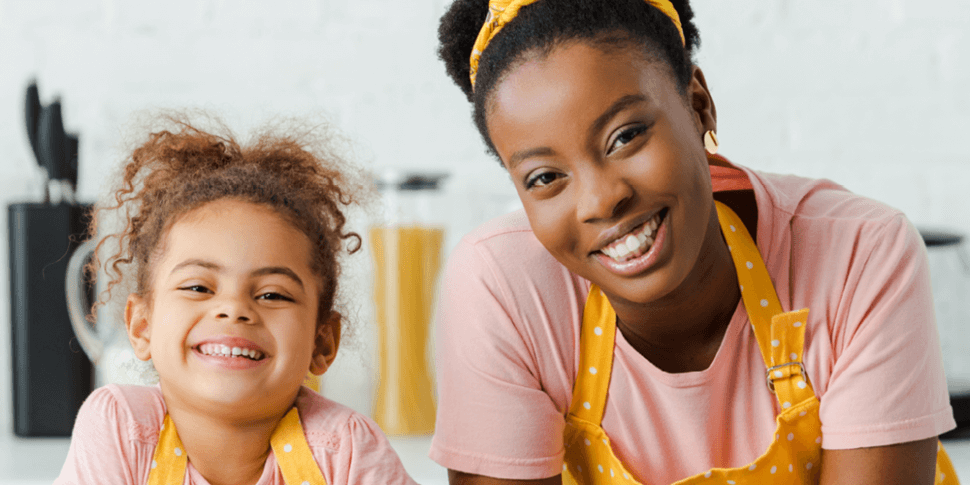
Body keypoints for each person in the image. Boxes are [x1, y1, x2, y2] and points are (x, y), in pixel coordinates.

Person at [431, 1, 959, 484]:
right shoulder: (503, 288)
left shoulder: (859, 256)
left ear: (698, 105)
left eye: (625, 136)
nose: (600, 201)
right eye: (545, 177)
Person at [55, 117, 417, 485]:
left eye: (272, 294)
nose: (234, 309)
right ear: (141, 326)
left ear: (322, 341)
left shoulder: (347, 450)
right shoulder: (120, 427)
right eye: (198, 288)